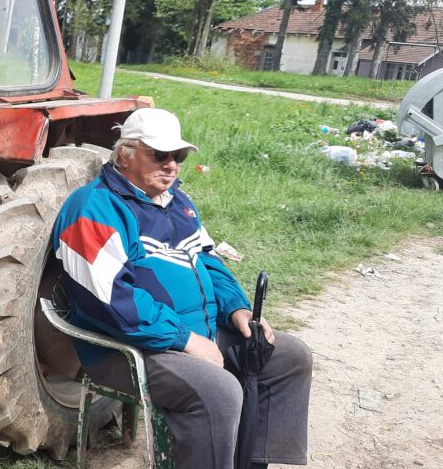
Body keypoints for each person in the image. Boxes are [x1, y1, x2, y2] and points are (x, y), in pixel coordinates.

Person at [51, 108, 312, 469]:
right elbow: (111, 301)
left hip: (190, 335)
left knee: (287, 356)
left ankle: (251, 461)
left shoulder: (178, 203)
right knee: (216, 392)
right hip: (126, 349)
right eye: (160, 155)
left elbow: (207, 260)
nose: (172, 165)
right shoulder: (93, 207)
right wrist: (185, 340)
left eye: (179, 156)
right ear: (126, 154)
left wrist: (237, 309)